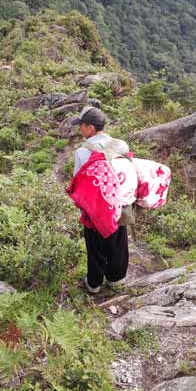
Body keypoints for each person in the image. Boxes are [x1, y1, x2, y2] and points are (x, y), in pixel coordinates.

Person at [71, 106, 129, 294]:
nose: (80, 129)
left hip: (95, 208)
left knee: (95, 245)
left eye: (81, 125)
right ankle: (116, 279)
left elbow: (78, 181)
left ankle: (94, 283)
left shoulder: (82, 152)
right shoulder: (121, 145)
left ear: (90, 128)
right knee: (118, 240)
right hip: (119, 204)